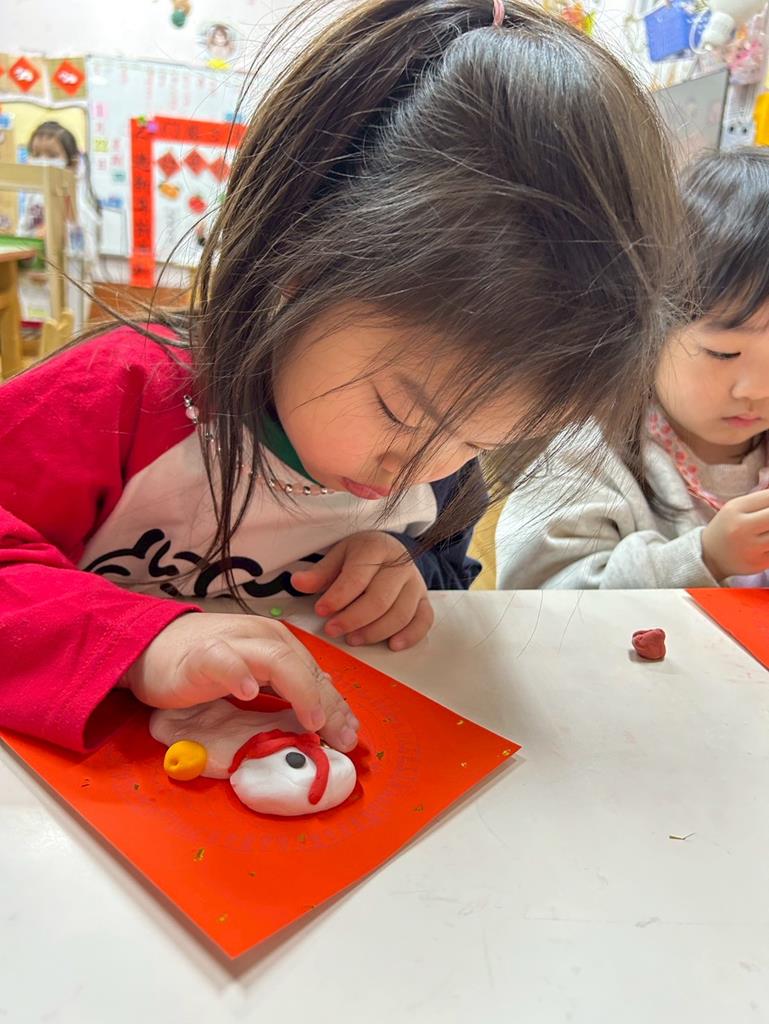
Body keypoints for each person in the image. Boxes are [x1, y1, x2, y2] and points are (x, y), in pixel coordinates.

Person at [0, 0, 680, 754]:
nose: (418, 471)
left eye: (485, 441)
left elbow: (443, 580)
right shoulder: (120, 397)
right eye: (398, 412)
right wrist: (142, 643)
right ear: (291, 277)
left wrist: (403, 579)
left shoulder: (441, 459)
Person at [496, 148, 769, 591]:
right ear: (650, 325)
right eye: (724, 354)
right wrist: (706, 558)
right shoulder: (585, 455)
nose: (755, 390)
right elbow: (542, 599)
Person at [21, 120, 101, 328]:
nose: (43, 161)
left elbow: (87, 254)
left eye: (52, 155)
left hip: (69, 291)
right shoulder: (31, 200)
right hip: (34, 289)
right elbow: (23, 234)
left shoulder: (80, 206)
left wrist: (64, 227)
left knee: (67, 336)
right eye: (36, 154)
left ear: (72, 164)